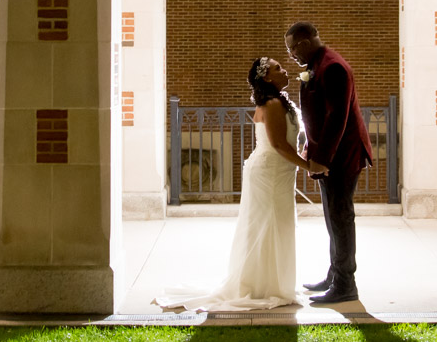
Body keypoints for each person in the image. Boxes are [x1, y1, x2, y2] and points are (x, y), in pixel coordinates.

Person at [153, 57, 329, 312]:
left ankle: (272, 284)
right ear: (267, 77)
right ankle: (262, 287)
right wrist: (309, 166)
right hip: (269, 174)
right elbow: (278, 145)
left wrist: (302, 153)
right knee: (267, 227)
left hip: (279, 173)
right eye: (278, 68)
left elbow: (287, 140)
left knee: (277, 226)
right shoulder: (271, 104)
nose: (285, 70)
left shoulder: (279, 102)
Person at [286, 20, 374, 305]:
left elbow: (337, 118)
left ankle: (346, 284)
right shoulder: (318, 65)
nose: (291, 55)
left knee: (340, 218)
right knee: (332, 218)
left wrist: (322, 160)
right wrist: (312, 149)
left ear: (305, 41)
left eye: (292, 48)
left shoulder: (332, 67)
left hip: (341, 157)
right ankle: (334, 275)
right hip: (330, 156)